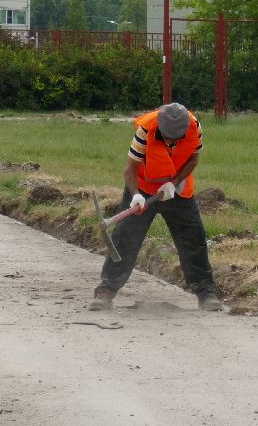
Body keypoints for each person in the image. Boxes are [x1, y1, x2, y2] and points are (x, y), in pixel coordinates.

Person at [90, 102, 224, 312]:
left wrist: (175, 182)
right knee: (125, 238)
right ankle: (105, 291)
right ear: (161, 127)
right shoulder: (145, 130)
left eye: (175, 138)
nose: (170, 140)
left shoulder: (194, 126)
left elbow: (193, 158)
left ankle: (206, 293)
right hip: (143, 188)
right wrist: (135, 196)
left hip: (176, 190)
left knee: (193, 239)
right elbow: (129, 170)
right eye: (167, 136)